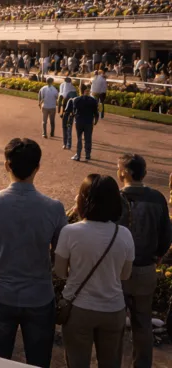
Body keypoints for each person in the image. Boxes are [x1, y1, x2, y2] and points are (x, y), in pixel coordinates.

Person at [0, 138, 67, 367]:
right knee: (38, 360)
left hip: (0, 293)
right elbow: (60, 255)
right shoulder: (54, 208)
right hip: (39, 295)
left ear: (7, 165)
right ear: (37, 168)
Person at [54, 174, 134, 368]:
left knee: (77, 362)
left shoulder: (70, 232)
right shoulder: (124, 234)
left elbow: (60, 272)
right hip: (113, 308)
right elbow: (125, 275)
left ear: (83, 199)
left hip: (79, 309)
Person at [117, 154, 172, 368]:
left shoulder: (115, 198)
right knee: (143, 323)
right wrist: (158, 255)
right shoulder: (157, 198)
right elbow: (167, 233)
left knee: (115, 325)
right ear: (144, 173)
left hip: (118, 270)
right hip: (146, 267)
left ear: (124, 173)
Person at [65, 86, 99, 162]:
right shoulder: (93, 100)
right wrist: (96, 120)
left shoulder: (77, 100)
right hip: (89, 122)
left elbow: (73, 112)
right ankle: (87, 155)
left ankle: (78, 154)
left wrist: (71, 120)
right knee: (88, 138)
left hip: (79, 121)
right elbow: (96, 112)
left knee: (79, 138)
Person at [58, 77, 78, 150]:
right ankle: (68, 144)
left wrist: (59, 112)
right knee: (69, 128)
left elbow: (60, 102)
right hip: (71, 113)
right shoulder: (74, 90)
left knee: (65, 128)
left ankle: (65, 143)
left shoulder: (63, 89)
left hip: (65, 113)